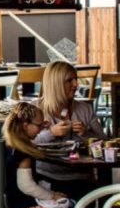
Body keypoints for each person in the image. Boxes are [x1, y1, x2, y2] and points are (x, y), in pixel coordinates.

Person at [35, 61, 106, 198]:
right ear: (56, 84)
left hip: (82, 178)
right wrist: (51, 133)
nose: (76, 84)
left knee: (85, 207)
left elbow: (104, 142)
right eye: (69, 80)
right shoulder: (36, 109)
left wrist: (86, 134)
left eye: (76, 79)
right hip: (48, 179)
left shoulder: (85, 109)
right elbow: (22, 143)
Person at [2, 102, 68, 208]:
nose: (40, 130)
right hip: (24, 205)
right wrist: (52, 195)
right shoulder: (23, 153)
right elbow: (26, 186)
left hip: (12, 200)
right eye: (39, 126)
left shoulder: (9, 144)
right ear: (25, 125)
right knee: (71, 207)